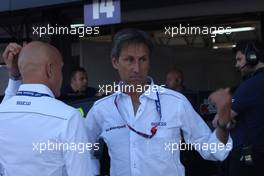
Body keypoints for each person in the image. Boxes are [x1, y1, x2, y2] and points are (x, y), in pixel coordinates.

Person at [85, 29, 233, 176]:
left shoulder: (176, 102)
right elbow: (82, 150)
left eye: (143, 59)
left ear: (149, 62)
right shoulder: (102, 109)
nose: (137, 69)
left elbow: (214, 151)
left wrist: (223, 124)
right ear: (115, 62)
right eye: (129, 60)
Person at [0, 42, 94, 176]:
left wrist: (15, 77)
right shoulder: (68, 117)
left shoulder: (2, 113)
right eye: (60, 69)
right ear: (50, 69)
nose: (62, 77)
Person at [215, 40, 264, 176]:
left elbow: (220, 120)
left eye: (239, 59)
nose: (237, 65)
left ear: (252, 57)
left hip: (249, 159)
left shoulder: (250, 86)